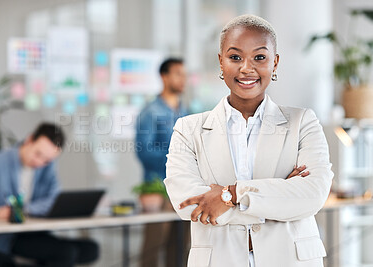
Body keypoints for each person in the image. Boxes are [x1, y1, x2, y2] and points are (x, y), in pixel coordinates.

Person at [164, 14, 333, 267]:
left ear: (274, 63)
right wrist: (279, 194)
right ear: (220, 62)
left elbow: (312, 195)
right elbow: (187, 204)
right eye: (235, 57)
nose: (246, 68)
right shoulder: (188, 129)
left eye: (260, 57)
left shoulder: (303, 123)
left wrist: (230, 194)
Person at [0, 123, 99, 267]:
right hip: (7, 237)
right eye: (38, 154)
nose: (39, 162)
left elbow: (53, 199)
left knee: (91, 249)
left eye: (46, 160)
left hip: (34, 231)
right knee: (65, 253)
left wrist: (23, 210)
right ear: (29, 140)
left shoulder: (48, 166)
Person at [135, 58, 189, 267]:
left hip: (185, 189)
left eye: (184, 74)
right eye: (177, 74)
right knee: (153, 246)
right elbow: (144, 153)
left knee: (179, 247)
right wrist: (178, 156)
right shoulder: (150, 112)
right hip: (158, 189)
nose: (182, 79)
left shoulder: (186, 111)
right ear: (164, 77)